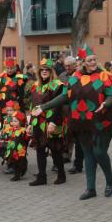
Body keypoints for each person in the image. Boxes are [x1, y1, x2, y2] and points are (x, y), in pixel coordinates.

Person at [33, 45, 112, 200]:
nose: (93, 62)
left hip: (101, 121)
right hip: (82, 122)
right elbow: (65, 97)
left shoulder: (103, 76)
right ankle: (90, 189)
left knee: (99, 152)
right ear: (83, 62)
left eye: (94, 59)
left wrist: (105, 104)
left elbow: (111, 95)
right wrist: (44, 106)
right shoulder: (75, 77)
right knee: (88, 154)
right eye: (90, 60)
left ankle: (110, 181)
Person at [27, 58, 67, 186]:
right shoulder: (35, 86)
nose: (44, 71)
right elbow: (33, 105)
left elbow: (59, 106)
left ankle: (61, 175)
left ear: (51, 71)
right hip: (38, 123)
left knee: (55, 150)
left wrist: (54, 122)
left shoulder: (57, 85)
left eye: (47, 70)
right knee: (40, 149)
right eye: (42, 69)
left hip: (52, 121)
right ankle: (42, 177)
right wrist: (30, 123)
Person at [59, 56, 81, 171]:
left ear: (74, 65)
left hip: (76, 110)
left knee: (76, 137)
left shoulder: (79, 75)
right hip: (64, 109)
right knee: (65, 134)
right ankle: (66, 155)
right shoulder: (62, 76)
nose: (67, 67)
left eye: (69, 65)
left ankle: (78, 163)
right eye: (65, 65)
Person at [6, 111, 30, 182]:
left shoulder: (23, 130)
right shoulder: (11, 130)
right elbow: (8, 136)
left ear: (21, 122)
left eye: (15, 121)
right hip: (13, 150)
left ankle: (22, 169)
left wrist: (28, 135)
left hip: (21, 150)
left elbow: (27, 139)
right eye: (13, 121)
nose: (13, 122)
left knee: (21, 161)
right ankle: (17, 175)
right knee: (14, 162)